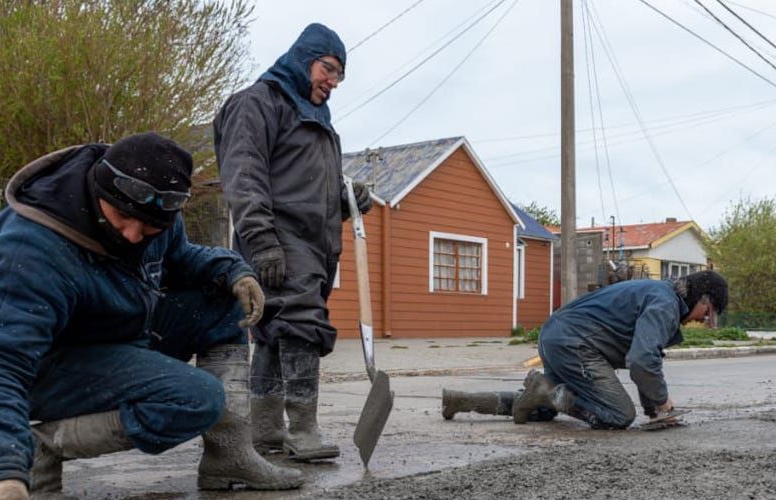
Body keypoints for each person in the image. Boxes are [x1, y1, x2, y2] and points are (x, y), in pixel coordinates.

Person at [0, 132, 304, 500]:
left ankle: (229, 456)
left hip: (117, 338)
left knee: (222, 302)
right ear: (100, 187)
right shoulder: (31, 248)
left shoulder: (154, 218)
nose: (135, 235)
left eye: (151, 227)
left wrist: (233, 269)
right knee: (196, 399)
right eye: (123, 220)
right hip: (46, 369)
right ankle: (37, 449)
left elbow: (182, 259)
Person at [213, 23, 372, 462]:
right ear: (304, 58)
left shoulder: (316, 117)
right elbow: (244, 177)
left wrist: (346, 200)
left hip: (311, 244)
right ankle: (303, 433)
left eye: (340, 75)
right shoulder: (257, 104)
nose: (333, 82)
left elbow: (306, 187)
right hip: (277, 239)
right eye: (328, 69)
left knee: (275, 333)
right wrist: (262, 240)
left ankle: (266, 433)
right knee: (301, 325)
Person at [442, 270, 729, 430]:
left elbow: (646, 358)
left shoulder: (657, 294)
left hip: (557, 335)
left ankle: (461, 401)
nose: (701, 320)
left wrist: (655, 409)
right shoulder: (665, 304)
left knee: (543, 407)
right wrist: (663, 403)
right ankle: (545, 391)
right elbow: (642, 360)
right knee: (617, 415)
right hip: (575, 344)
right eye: (707, 312)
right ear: (701, 299)